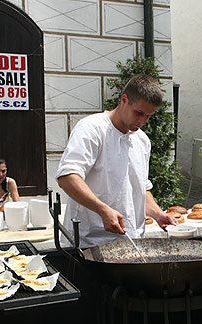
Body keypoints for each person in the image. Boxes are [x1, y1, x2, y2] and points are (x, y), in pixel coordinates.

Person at [56, 74, 176, 248]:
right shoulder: (91, 129)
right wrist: (103, 210)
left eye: (148, 116)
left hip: (131, 243)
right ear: (124, 99)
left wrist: (158, 214)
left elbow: (139, 188)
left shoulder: (142, 141)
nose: (142, 121)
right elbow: (67, 177)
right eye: (139, 113)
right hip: (88, 244)